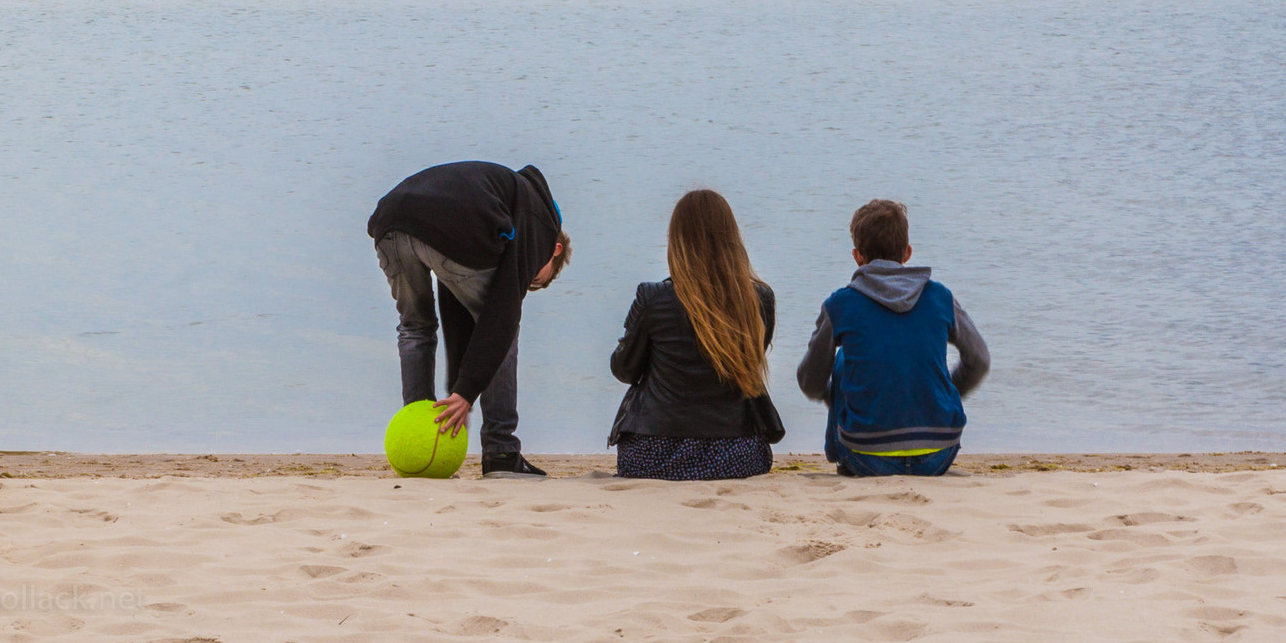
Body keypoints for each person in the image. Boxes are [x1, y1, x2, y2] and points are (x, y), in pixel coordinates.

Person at [369, 161, 570, 478]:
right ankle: (502, 452)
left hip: (390, 221)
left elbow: (457, 306)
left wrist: (460, 389)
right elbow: (499, 317)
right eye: (535, 282)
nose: (528, 284)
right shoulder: (541, 228)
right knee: (505, 330)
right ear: (555, 250)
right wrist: (464, 392)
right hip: (446, 228)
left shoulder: (510, 199)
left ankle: (422, 433)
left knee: (415, 327)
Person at [797, 198, 990, 477]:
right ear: (908, 252)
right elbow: (979, 359)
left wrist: (833, 397)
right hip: (938, 452)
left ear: (857, 256)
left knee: (842, 359)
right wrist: (948, 389)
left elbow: (809, 381)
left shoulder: (841, 304)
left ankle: (839, 454)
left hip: (864, 455)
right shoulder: (940, 297)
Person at [608, 189, 785, 480]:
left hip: (653, 453)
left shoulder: (653, 298)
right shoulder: (759, 299)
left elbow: (624, 370)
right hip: (736, 452)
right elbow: (751, 362)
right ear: (732, 239)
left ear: (676, 241)